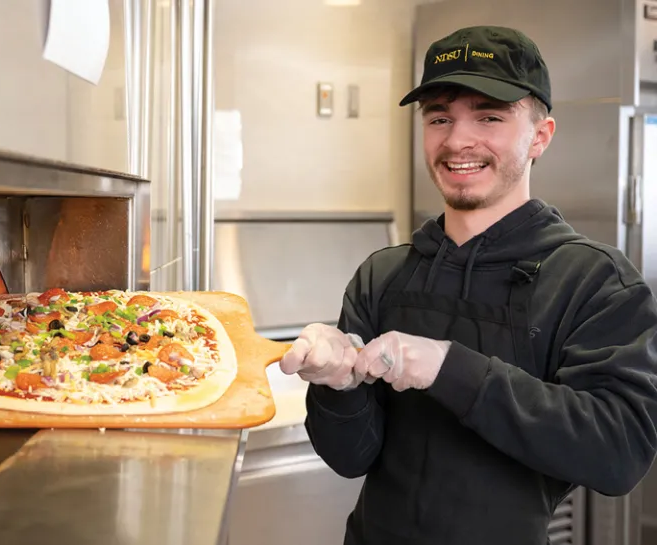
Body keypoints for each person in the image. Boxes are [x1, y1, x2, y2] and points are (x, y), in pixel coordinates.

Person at [279, 25, 657, 545]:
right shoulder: (383, 274)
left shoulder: (593, 281)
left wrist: (447, 367)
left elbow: (619, 453)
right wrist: (338, 387)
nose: (457, 141)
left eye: (489, 117)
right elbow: (350, 458)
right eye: (439, 118)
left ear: (540, 136)